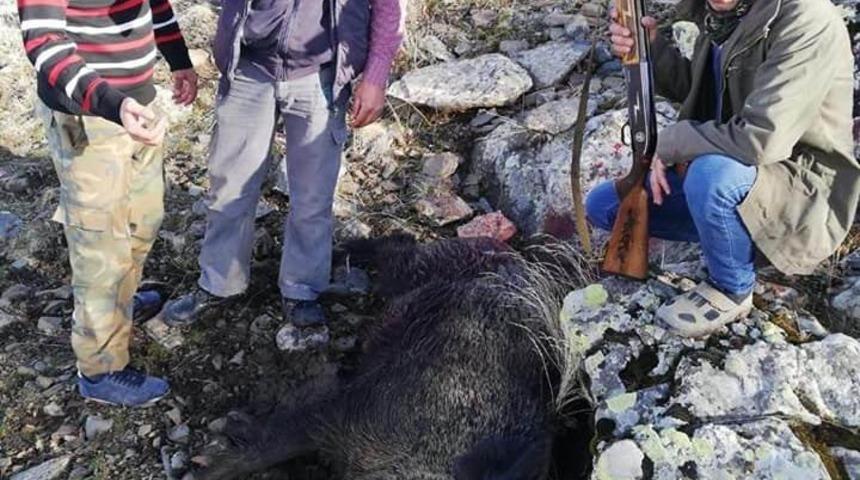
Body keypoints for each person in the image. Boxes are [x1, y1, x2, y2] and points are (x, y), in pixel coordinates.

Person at [587, 0, 858, 337]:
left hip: (798, 190)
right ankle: (728, 233)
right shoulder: (723, 13)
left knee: (710, 177)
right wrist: (651, 48)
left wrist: (669, 144)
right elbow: (703, 92)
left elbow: (763, 139)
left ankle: (733, 288)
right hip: (739, 171)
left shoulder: (807, 18)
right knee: (604, 206)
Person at [163, 0, 405, 328]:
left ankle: (302, 289)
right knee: (229, 188)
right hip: (249, 66)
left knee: (312, 198)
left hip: (321, 74)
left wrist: (375, 75)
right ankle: (219, 282)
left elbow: (388, 7)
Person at [18, 0, 198, 406]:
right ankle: (99, 370)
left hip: (139, 104)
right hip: (89, 117)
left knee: (143, 219)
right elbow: (43, 41)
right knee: (100, 245)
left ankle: (119, 306)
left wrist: (178, 59)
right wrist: (112, 104)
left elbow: (155, 3)